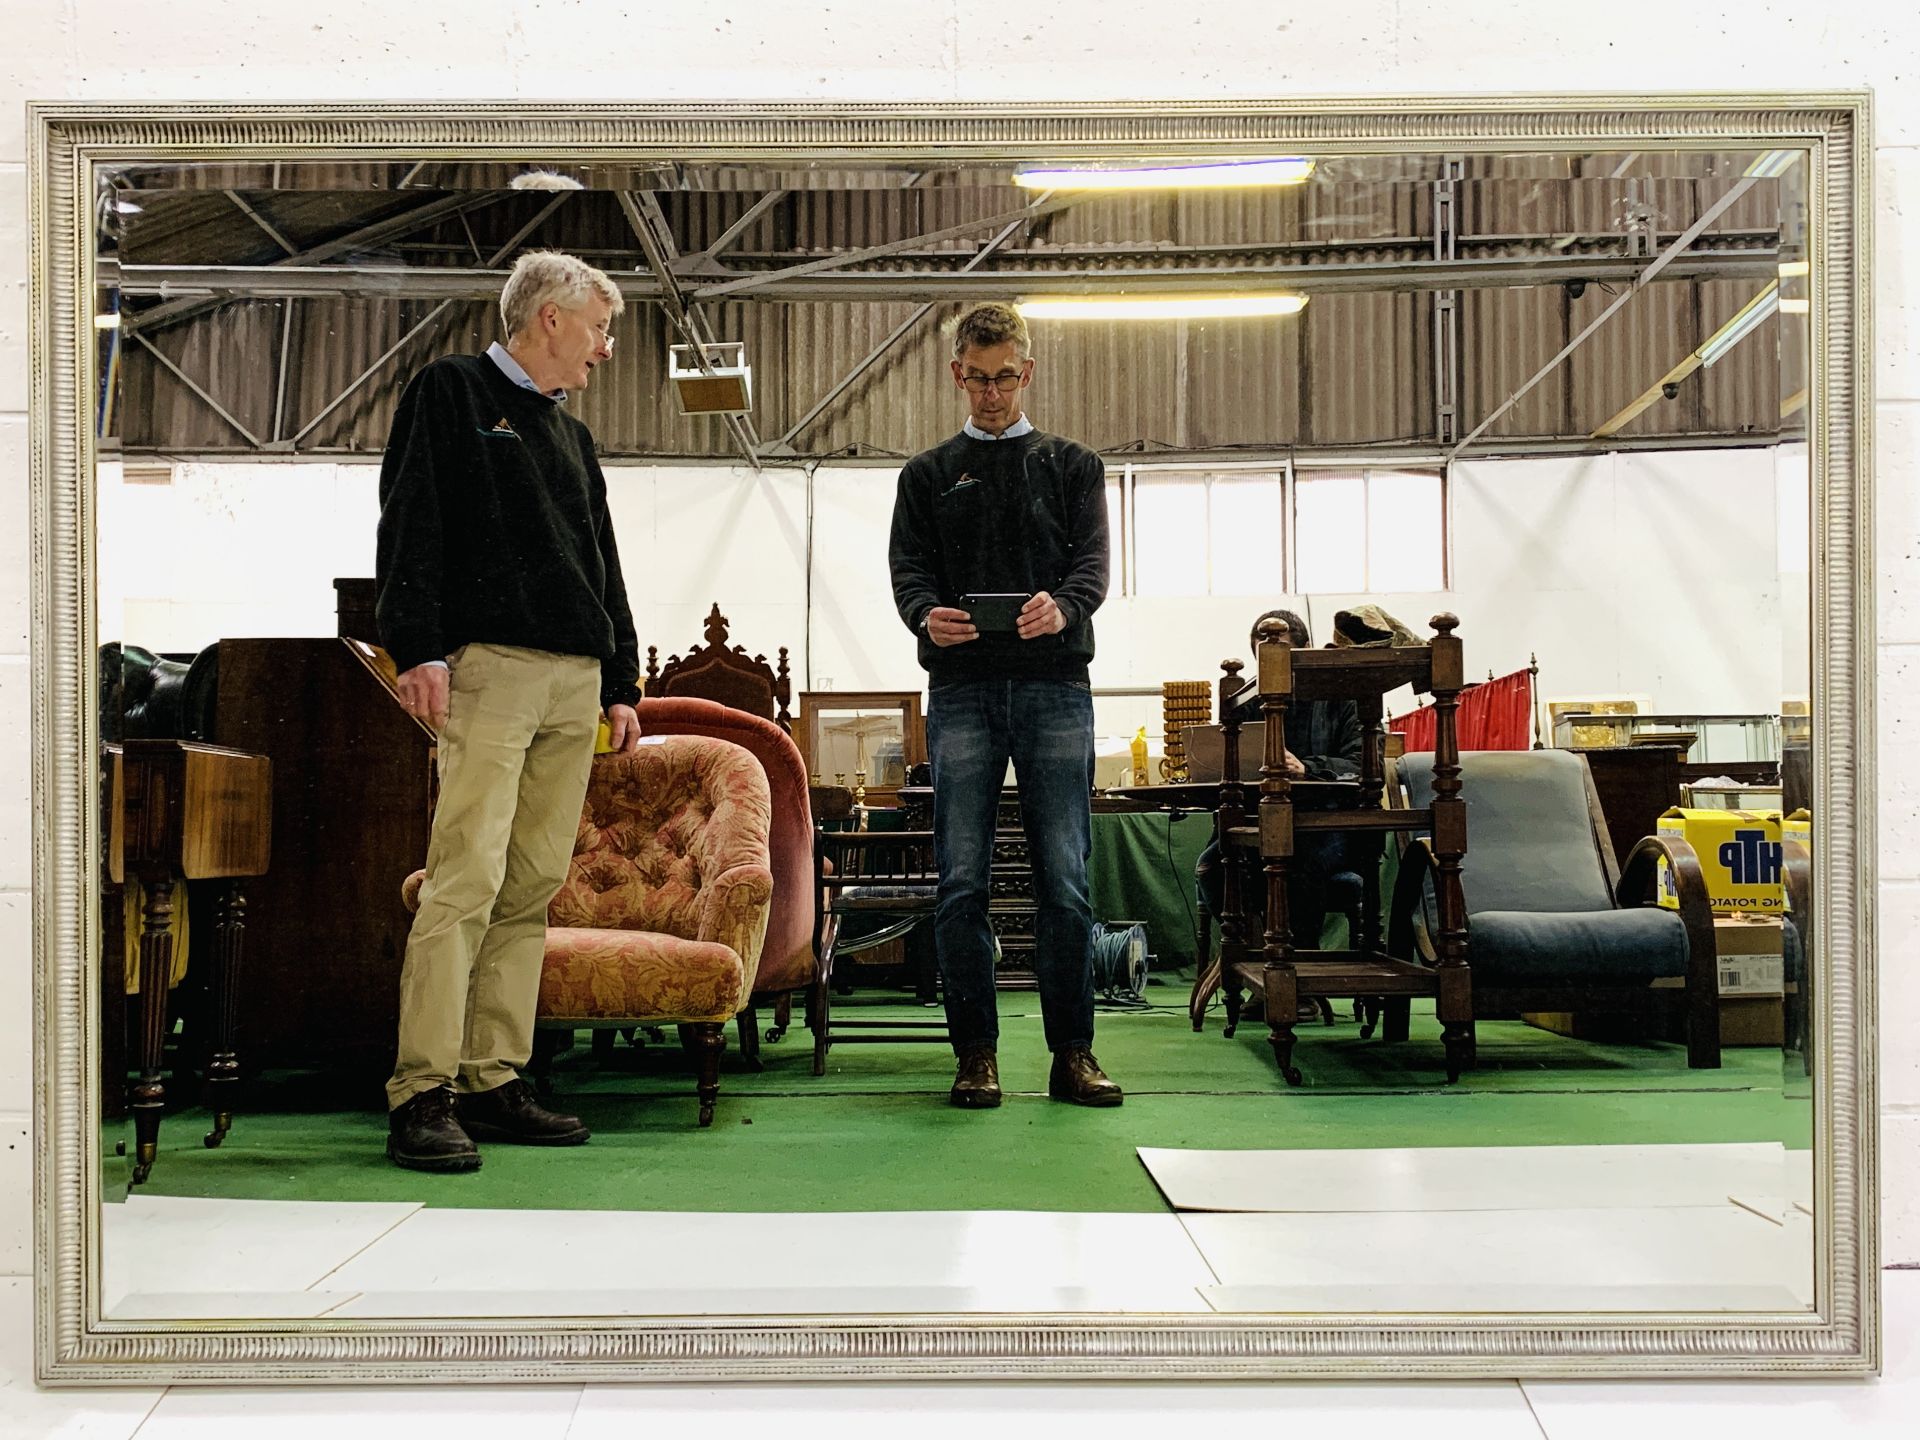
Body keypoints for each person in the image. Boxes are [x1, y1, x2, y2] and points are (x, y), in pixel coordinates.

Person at [375, 251, 643, 1173]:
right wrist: (415, 645)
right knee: (465, 879)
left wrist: (622, 682)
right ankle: (422, 1090)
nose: (604, 351)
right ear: (551, 318)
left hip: (575, 680)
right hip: (490, 669)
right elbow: (410, 517)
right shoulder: (448, 391)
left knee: (529, 886)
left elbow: (603, 562)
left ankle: (492, 1075)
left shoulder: (575, 439)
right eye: (600, 329)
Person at [888, 301, 1121, 1109]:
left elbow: (1093, 566)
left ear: (1028, 372)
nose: (991, 394)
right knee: (962, 881)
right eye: (977, 379)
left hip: (1058, 688)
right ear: (958, 374)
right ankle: (975, 1055)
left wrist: (1065, 606)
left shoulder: (1075, 466)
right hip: (961, 692)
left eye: (1005, 378)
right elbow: (908, 572)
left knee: (1066, 878)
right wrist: (926, 615)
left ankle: (1073, 1055)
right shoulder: (924, 475)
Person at [1196, 609, 1364, 963]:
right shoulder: (1248, 702)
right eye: (1264, 656)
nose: (1271, 663)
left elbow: (1361, 763)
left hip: (1325, 825)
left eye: (1281, 651)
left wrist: (1307, 769)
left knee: (1296, 862)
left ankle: (1298, 973)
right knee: (1211, 867)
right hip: (1260, 822)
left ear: (1305, 650)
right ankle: (1259, 962)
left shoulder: (1340, 699)